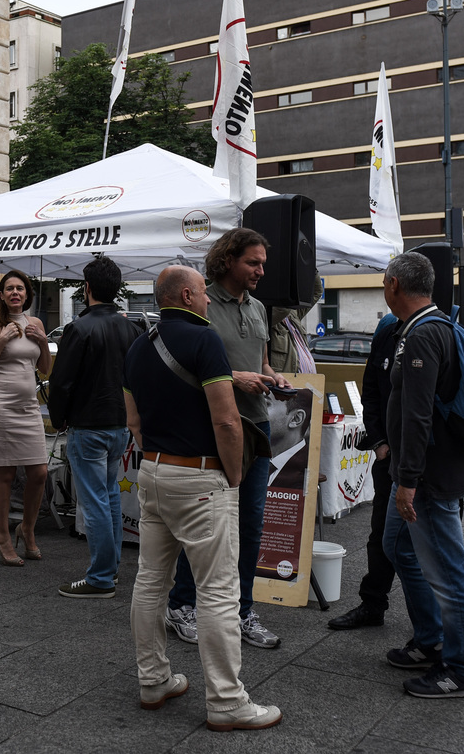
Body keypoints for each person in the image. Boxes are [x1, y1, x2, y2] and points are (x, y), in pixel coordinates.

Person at [125, 265, 282, 731]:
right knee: (218, 590)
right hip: (200, 477)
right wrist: (233, 475)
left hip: (153, 470)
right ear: (189, 294)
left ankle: (153, 680)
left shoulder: (137, 345)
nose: (210, 301)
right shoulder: (204, 340)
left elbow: (133, 420)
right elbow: (228, 420)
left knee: (151, 581)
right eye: (204, 295)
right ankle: (228, 701)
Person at [165, 228, 290, 651]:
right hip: (213, 429)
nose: (259, 271)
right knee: (205, 526)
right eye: (252, 263)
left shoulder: (257, 307)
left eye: (262, 264)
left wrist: (272, 376)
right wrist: (235, 377)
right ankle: (182, 605)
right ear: (228, 261)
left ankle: (241, 612)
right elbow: (186, 361)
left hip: (256, 430)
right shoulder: (200, 304)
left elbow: (262, 359)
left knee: (251, 527)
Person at [381, 251, 464, 699]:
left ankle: (461, 670)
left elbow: (419, 416)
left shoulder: (424, 335)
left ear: (394, 286)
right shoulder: (433, 326)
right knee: (397, 547)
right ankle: (430, 640)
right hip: (424, 469)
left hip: (427, 475)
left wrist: (408, 480)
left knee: (449, 571)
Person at [47, 256, 143, 598]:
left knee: (97, 502)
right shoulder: (131, 328)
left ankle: (102, 577)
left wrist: (58, 418)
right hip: (120, 424)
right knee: (110, 496)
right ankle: (110, 570)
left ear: (86, 288)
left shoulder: (79, 328)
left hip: (89, 425)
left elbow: (61, 383)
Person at [327, 312, 401, 630]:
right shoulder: (387, 330)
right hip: (390, 456)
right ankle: (373, 603)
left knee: (428, 543)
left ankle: (435, 627)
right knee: (381, 532)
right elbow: (370, 388)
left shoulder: (437, 329)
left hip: (428, 459)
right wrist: (380, 443)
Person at [0, 270, 52, 566]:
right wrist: (1, 339)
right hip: (0, 406)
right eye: (9, 289)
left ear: (27, 294)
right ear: (2, 294)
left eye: (20, 288)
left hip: (27, 407)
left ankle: (27, 529)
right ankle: (3, 537)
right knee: (4, 475)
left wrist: (43, 341)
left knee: (39, 473)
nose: (15, 293)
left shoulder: (35, 324)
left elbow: (45, 369)